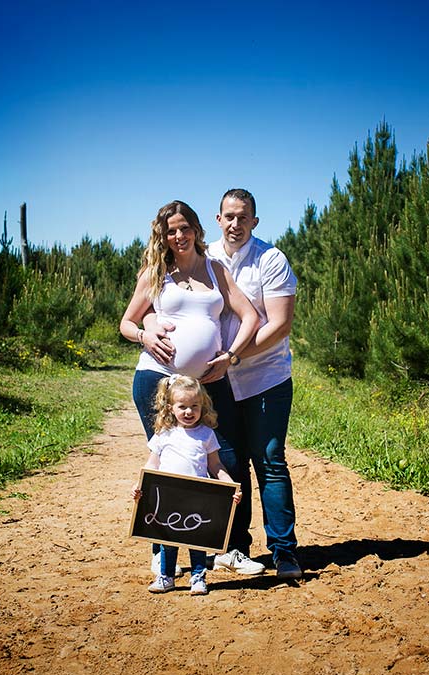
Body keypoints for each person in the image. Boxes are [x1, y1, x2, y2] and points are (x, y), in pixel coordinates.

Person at [146, 188, 302, 579]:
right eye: (229, 216)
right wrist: (148, 325)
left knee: (269, 460)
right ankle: (233, 548)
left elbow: (279, 324)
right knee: (229, 462)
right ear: (217, 220)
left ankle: (284, 552)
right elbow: (157, 301)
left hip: (265, 377)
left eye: (243, 216)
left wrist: (232, 357)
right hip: (219, 384)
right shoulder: (206, 256)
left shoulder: (271, 259)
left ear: (254, 221)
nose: (235, 223)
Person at [119, 200, 260, 577]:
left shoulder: (216, 271)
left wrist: (230, 355)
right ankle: (160, 551)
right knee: (168, 464)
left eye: (184, 228)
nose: (178, 236)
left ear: (197, 230)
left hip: (209, 385)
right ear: (162, 237)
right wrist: (145, 335)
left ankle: (228, 548)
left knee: (227, 458)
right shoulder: (155, 273)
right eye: (170, 231)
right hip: (157, 380)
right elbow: (126, 323)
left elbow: (251, 316)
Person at [131, 375, 242, 595]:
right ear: (171, 408)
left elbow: (216, 466)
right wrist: (139, 485)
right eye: (183, 407)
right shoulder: (164, 434)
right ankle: (166, 577)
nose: (189, 412)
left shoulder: (206, 435)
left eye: (195, 406)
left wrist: (230, 486)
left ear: (203, 407)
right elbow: (152, 464)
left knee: (197, 538)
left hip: (198, 497)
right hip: (168, 497)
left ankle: (198, 578)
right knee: (167, 539)